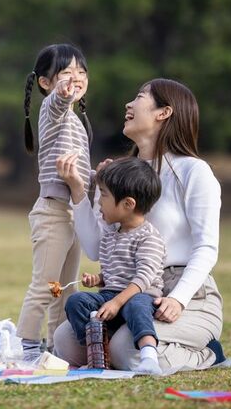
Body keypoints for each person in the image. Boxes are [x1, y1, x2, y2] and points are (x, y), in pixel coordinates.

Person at [52, 78, 225, 373]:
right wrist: (84, 193)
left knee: (124, 350)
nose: (128, 105)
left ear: (164, 112)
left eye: (140, 97)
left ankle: (209, 354)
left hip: (185, 292)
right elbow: (96, 248)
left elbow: (206, 247)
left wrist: (179, 299)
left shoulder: (193, 171)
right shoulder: (125, 174)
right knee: (65, 341)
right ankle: (140, 346)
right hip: (128, 289)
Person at [17, 43, 93, 361]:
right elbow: (60, 102)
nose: (75, 77)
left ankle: (57, 347)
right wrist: (63, 92)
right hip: (52, 211)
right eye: (65, 72)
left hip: (71, 212)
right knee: (45, 285)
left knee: (64, 288)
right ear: (46, 83)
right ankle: (28, 348)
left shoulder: (76, 122)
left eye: (81, 72)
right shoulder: (52, 109)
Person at [56, 156, 166, 374]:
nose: (99, 202)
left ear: (128, 204)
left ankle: (149, 356)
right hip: (111, 295)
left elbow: (143, 279)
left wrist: (117, 302)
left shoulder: (149, 237)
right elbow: (113, 273)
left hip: (139, 295)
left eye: (104, 195)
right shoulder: (111, 234)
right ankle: (93, 349)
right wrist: (98, 279)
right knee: (77, 300)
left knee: (136, 306)